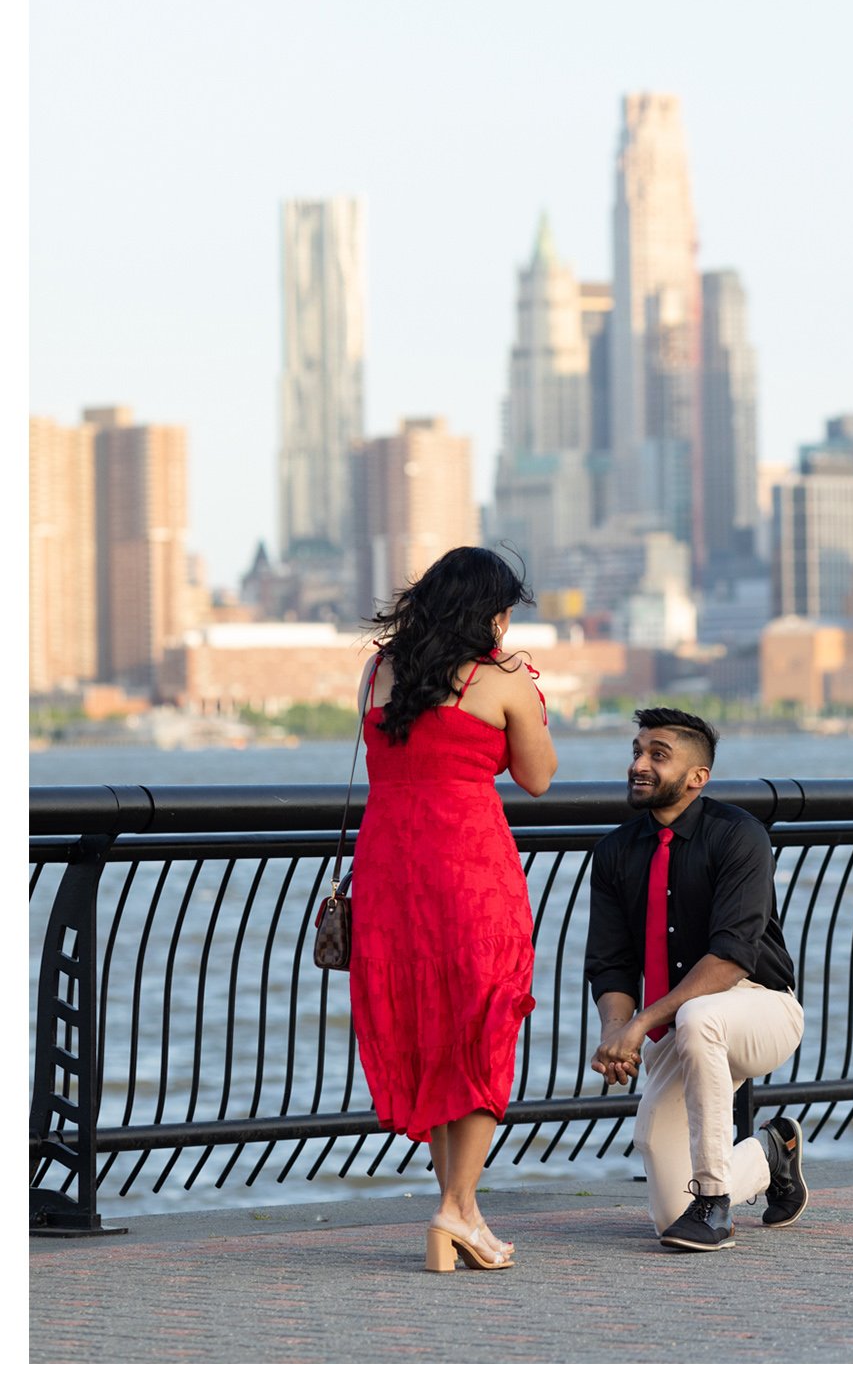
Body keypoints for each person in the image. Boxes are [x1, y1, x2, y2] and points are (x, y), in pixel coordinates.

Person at [351, 546, 556, 1274]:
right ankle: (454, 1209)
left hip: (389, 871)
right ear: (490, 613)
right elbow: (537, 778)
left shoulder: (380, 672)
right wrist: (531, 695)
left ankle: (461, 1212)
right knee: (483, 1024)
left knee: (432, 1027)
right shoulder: (503, 679)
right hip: (469, 869)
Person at [586, 707, 809, 1251]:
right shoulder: (615, 851)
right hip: (678, 1021)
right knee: (668, 1217)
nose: (639, 764)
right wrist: (618, 1033)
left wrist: (641, 1023)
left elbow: (731, 958)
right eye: (637, 751)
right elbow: (611, 963)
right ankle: (771, 1153)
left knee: (700, 1014)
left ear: (696, 777)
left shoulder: (739, 836)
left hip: (759, 1007)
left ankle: (713, 1202)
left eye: (657, 756)